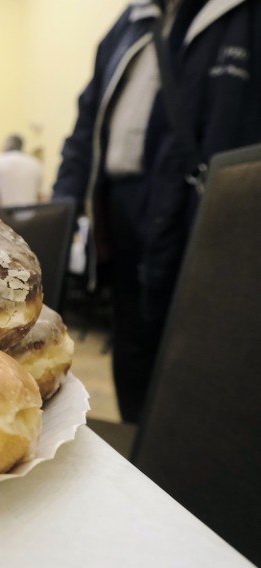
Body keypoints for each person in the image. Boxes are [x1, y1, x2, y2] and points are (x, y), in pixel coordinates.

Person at [53, 0, 261, 423]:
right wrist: (62, 209)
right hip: (121, 208)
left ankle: (184, 462)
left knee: (197, 349)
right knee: (133, 341)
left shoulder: (240, 15)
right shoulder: (129, 22)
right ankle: (141, 446)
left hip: (202, 209)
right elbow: (87, 124)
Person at [0, 134, 44, 206]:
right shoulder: (35, 163)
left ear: (7, 145)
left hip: (2, 212)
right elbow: (40, 195)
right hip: (29, 212)